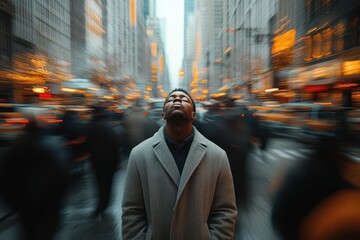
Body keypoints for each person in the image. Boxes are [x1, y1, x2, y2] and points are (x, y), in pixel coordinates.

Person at [121, 88, 238, 239]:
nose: (177, 100)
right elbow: (132, 211)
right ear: (163, 114)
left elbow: (225, 211)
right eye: (171, 99)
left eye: (184, 99)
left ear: (194, 115)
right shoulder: (139, 155)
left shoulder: (218, 156)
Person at [0, 118, 69, 240]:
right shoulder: (50, 148)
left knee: (29, 232)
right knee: (45, 232)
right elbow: (61, 175)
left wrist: (12, 201)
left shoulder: (14, 150)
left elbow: (6, 178)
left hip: (23, 202)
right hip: (47, 201)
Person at [85, 106, 121, 219]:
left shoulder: (90, 126)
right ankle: (104, 205)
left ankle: (100, 206)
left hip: (96, 160)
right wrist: (117, 163)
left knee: (98, 184)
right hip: (108, 161)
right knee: (107, 184)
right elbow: (115, 145)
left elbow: (87, 143)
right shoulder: (108, 127)